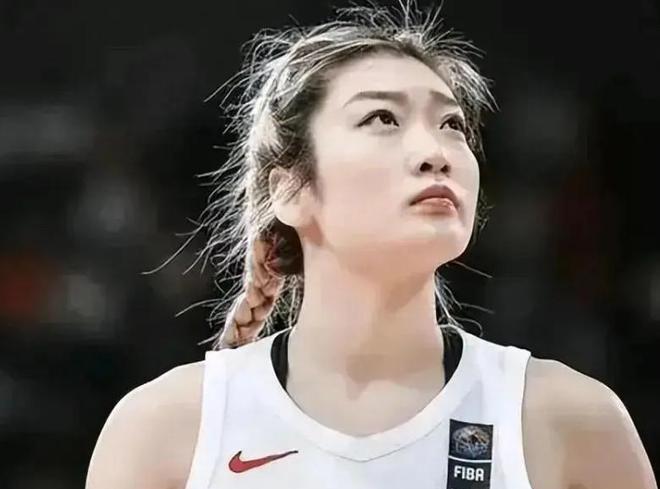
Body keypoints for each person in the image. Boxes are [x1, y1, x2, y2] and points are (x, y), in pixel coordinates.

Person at [85, 3, 657, 489]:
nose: (436, 152)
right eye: (383, 118)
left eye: (452, 125)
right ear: (291, 189)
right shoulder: (164, 431)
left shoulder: (569, 420)